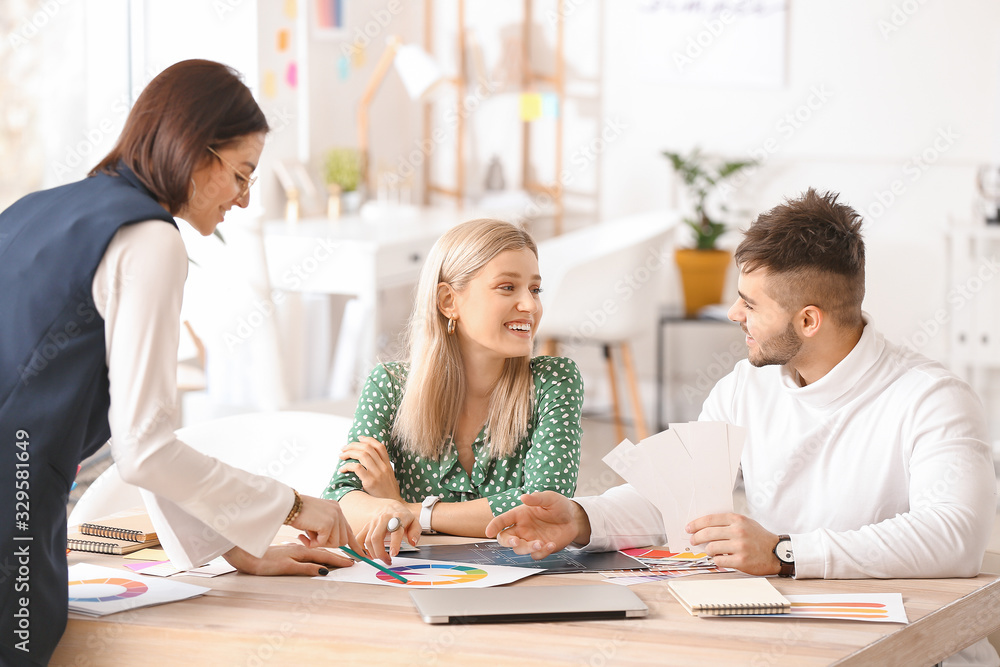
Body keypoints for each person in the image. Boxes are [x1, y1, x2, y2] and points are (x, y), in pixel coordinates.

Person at [485, 189, 999, 666]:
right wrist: (581, 519)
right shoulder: (745, 386)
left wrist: (784, 552)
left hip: (916, 649)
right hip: (796, 636)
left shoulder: (932, 397)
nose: (734, 314)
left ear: (808, 321)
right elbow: (678, 492)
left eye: (751, 304)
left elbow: (954, 536)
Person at [0, 60, 362, 666]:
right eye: (242, 175)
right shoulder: (149, 239)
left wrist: (233, 547)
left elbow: (136, 434)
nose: (244, 200)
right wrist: (294, 505)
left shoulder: (36, 209)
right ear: (198, 152)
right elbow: (146, 448)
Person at [322, 218, 584, 563]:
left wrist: (405, 508)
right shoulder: (389, 385)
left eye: (535, 290)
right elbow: (340, 499)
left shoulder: (554, 381)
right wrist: (386, 508)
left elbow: (543, 505)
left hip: (520, 591)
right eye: (508, 287)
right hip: (407, 589)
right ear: (448, 301)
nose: (531, 306)